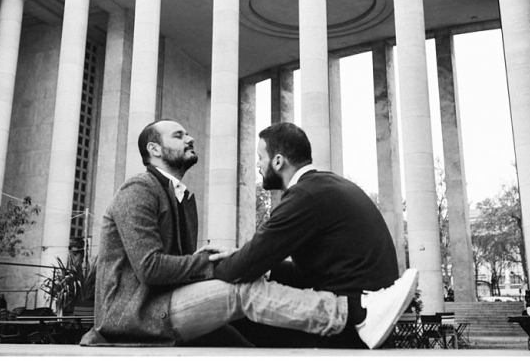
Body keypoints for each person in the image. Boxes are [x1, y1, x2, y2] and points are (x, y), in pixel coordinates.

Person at [81, 119, 417, 349]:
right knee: (242, 289)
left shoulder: (184, 199)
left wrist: (236, 262)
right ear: (154, 150)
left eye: (187, 134)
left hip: (165, 305)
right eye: (179, 136)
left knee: (245, 340)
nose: (190, 138)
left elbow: (244, 262)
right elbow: (150, 268)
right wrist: (214, 263)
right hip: (135, 315)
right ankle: (356, 312)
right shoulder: (138, 189)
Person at [211, 121, 415, 349]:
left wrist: (205, 267)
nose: (258, 164)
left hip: (353, 324)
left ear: (278, 161)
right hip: (366, 312)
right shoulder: (327, 185)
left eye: (260, 157)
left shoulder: (303, 196)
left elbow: (240, 269)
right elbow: (310, 274)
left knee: (225, 314)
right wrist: (262, 267)